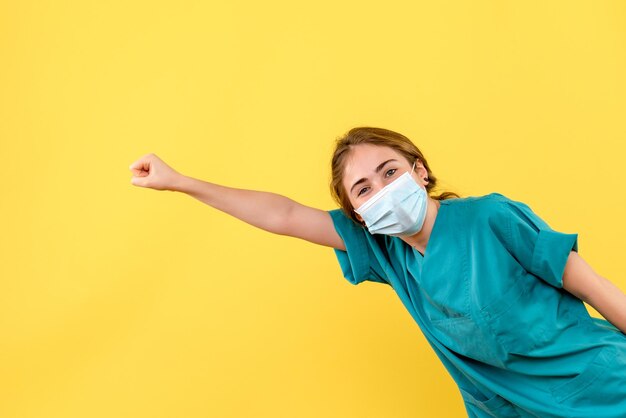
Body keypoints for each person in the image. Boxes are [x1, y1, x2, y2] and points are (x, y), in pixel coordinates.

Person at [129, 126, 626, 417]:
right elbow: (283, 215)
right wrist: (180, 182)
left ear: (420, 170)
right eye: (363, 189)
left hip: (605, 389)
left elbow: (595, 287)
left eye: (390, 172)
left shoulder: (489, 218)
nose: (383, 190)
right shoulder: (389, 254)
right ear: (358, 214)